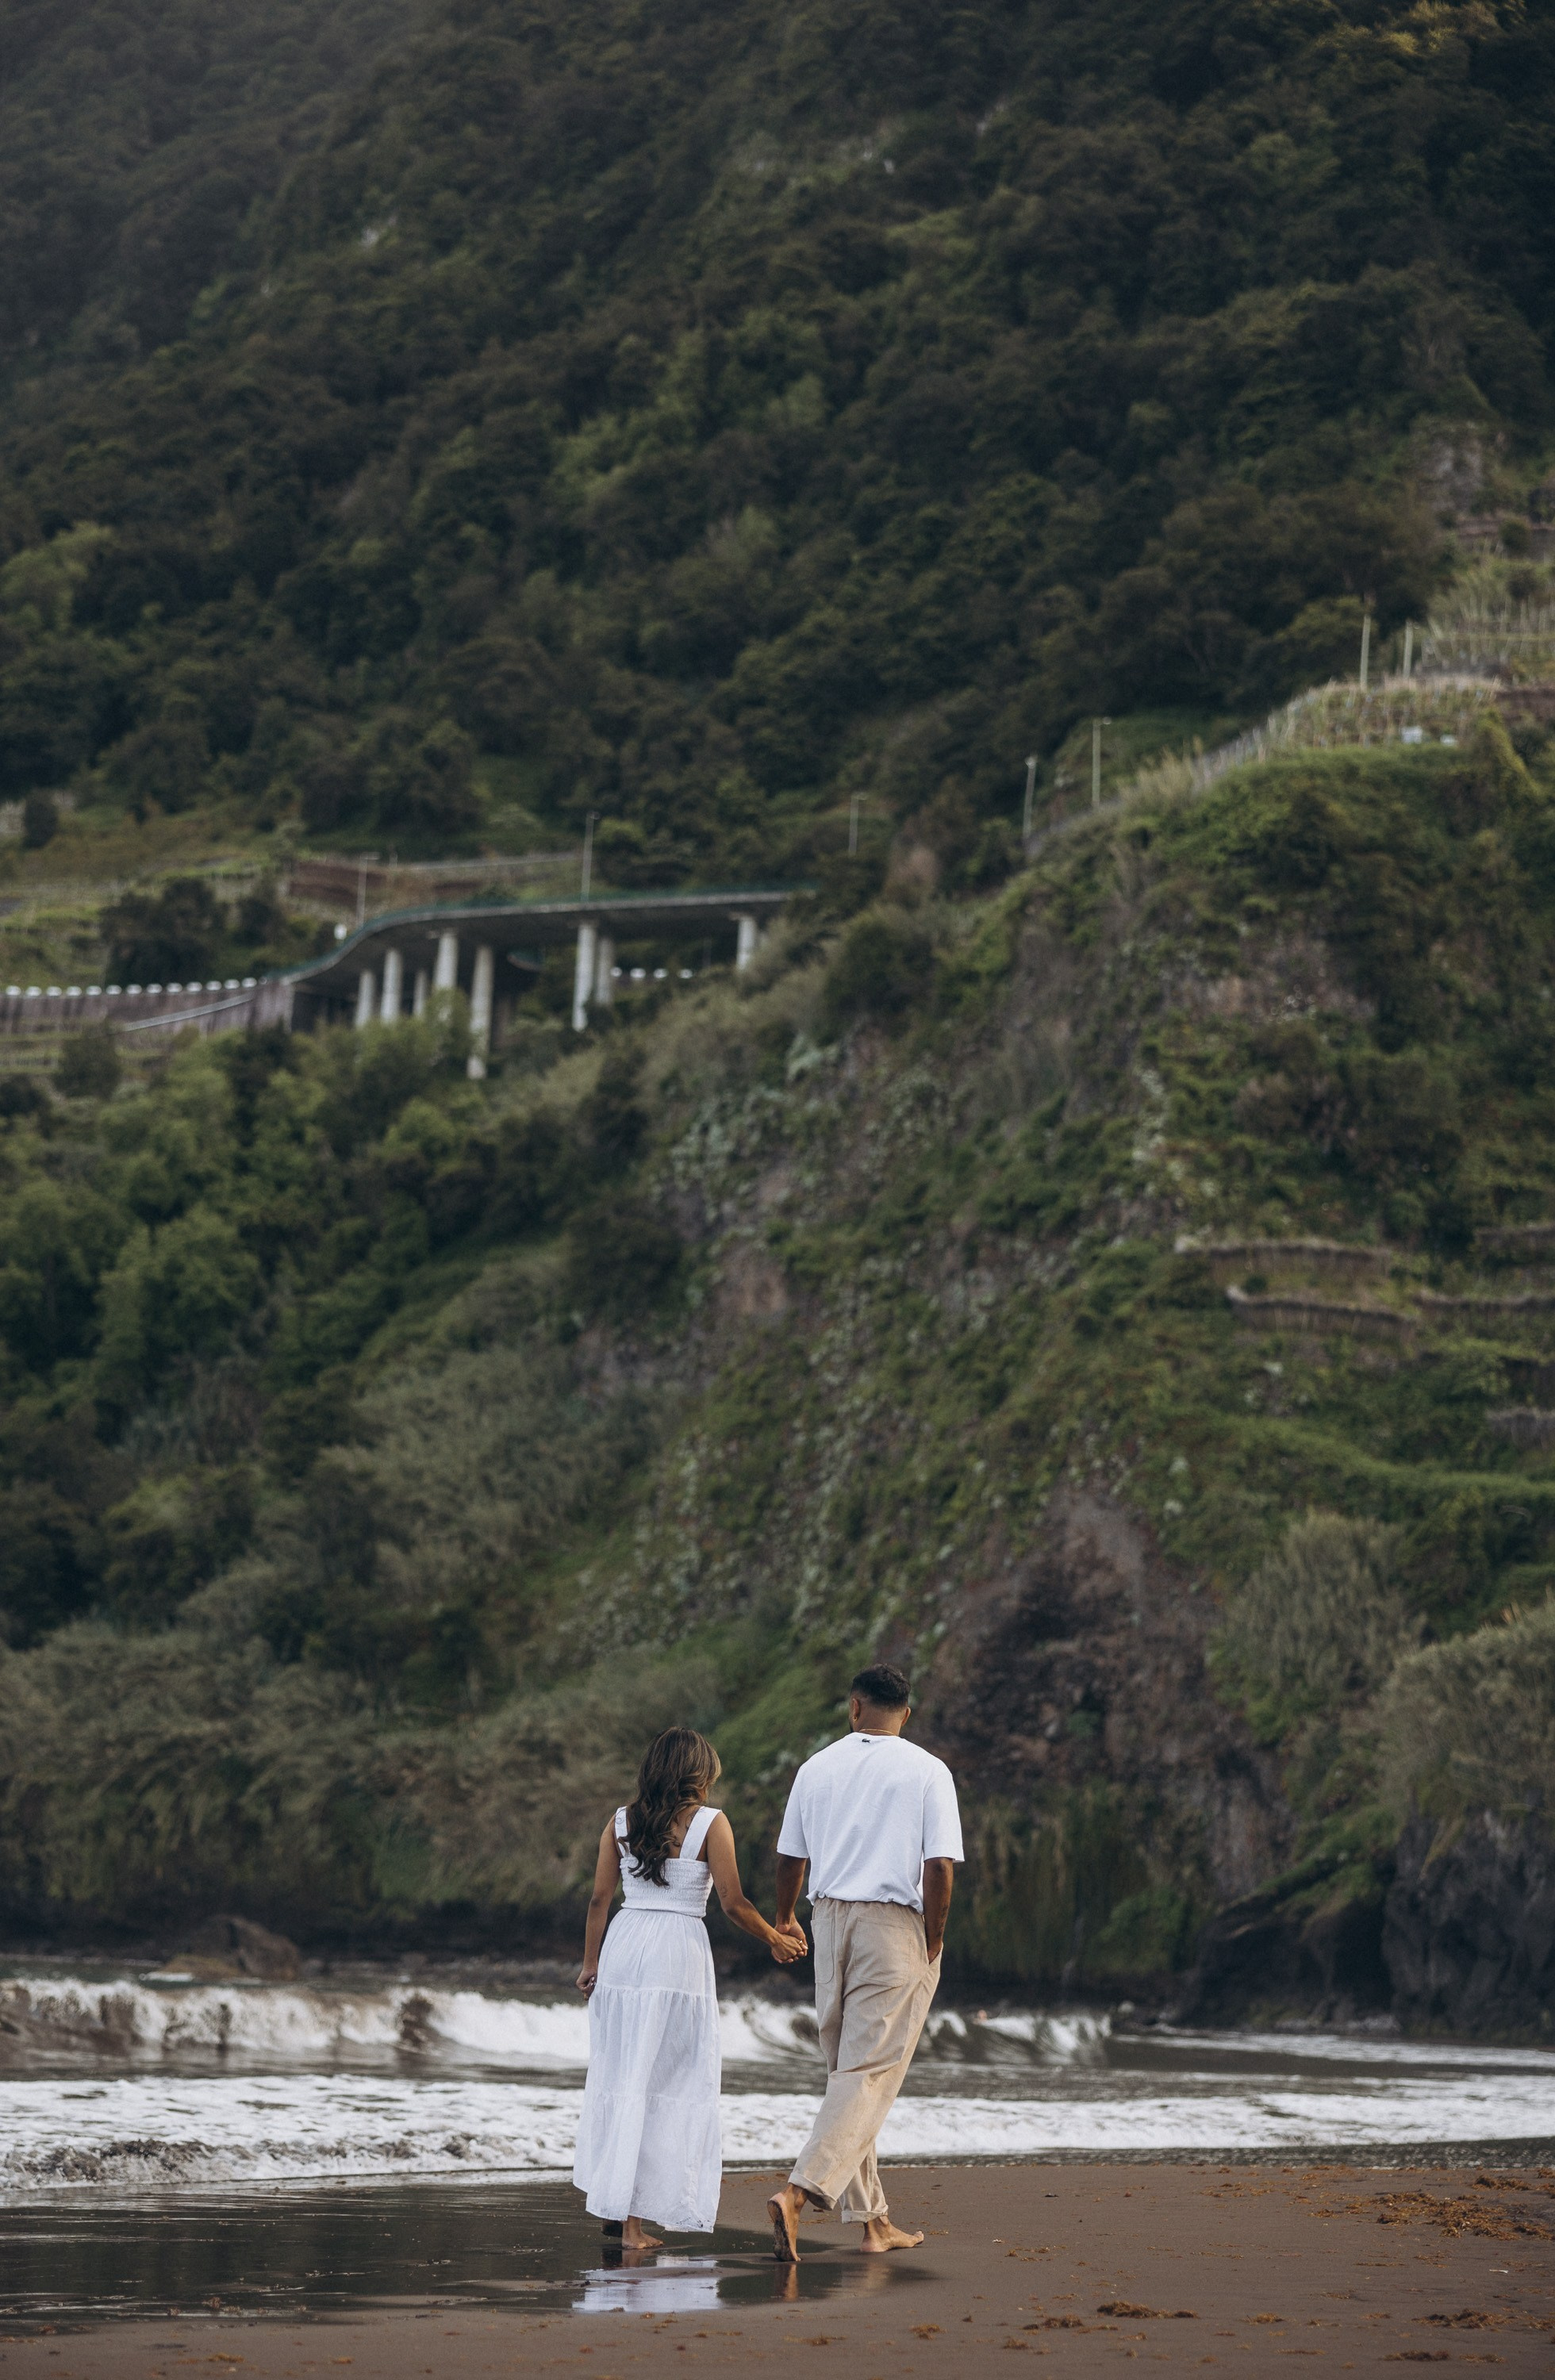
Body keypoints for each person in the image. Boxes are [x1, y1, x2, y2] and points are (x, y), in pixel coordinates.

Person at [573, 1725, 803, 2249]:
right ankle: (630, 2226)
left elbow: (598, 1902)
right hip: (677, 1956)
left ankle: (618, 2207)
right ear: (700, 1774)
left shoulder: (620, 1822)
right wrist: (774, 1937)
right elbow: (732, 1902)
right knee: (671, 2080)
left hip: (626, 1949)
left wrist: (590, 1964)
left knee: (625, 2075)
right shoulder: (711, 1824)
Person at [765, 1664, 962, 2261]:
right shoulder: (928, 1770)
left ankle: (874, 2222)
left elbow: (789, 1856)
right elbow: (940, 1867)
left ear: (855, 1708)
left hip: (828, 1919)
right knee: (869, 2072)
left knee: (850, 2074)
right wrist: (934, 1935)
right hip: (892, 1925)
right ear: (906, 1713)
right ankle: (798, 2195)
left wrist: (786, 1917)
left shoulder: (816, 1767)